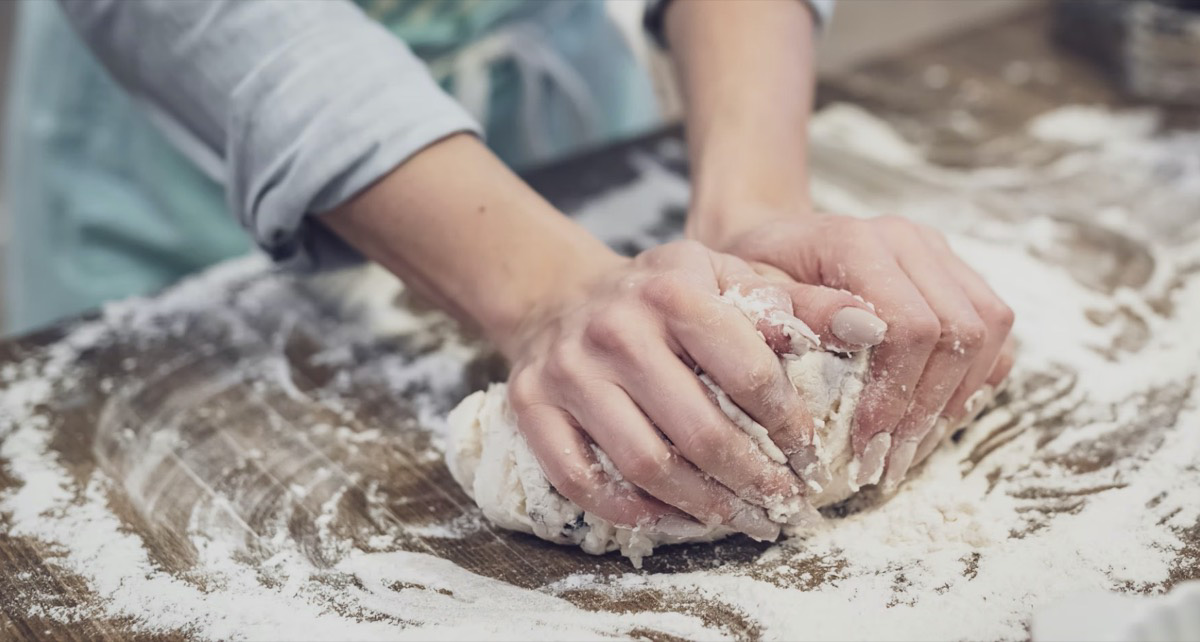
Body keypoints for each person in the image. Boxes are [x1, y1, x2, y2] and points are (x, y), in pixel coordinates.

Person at [2, 0, 1014, 541]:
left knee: (654, 356)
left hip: (556, 119)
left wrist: (752, 207)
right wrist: (545, 288)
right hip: (192, 162)